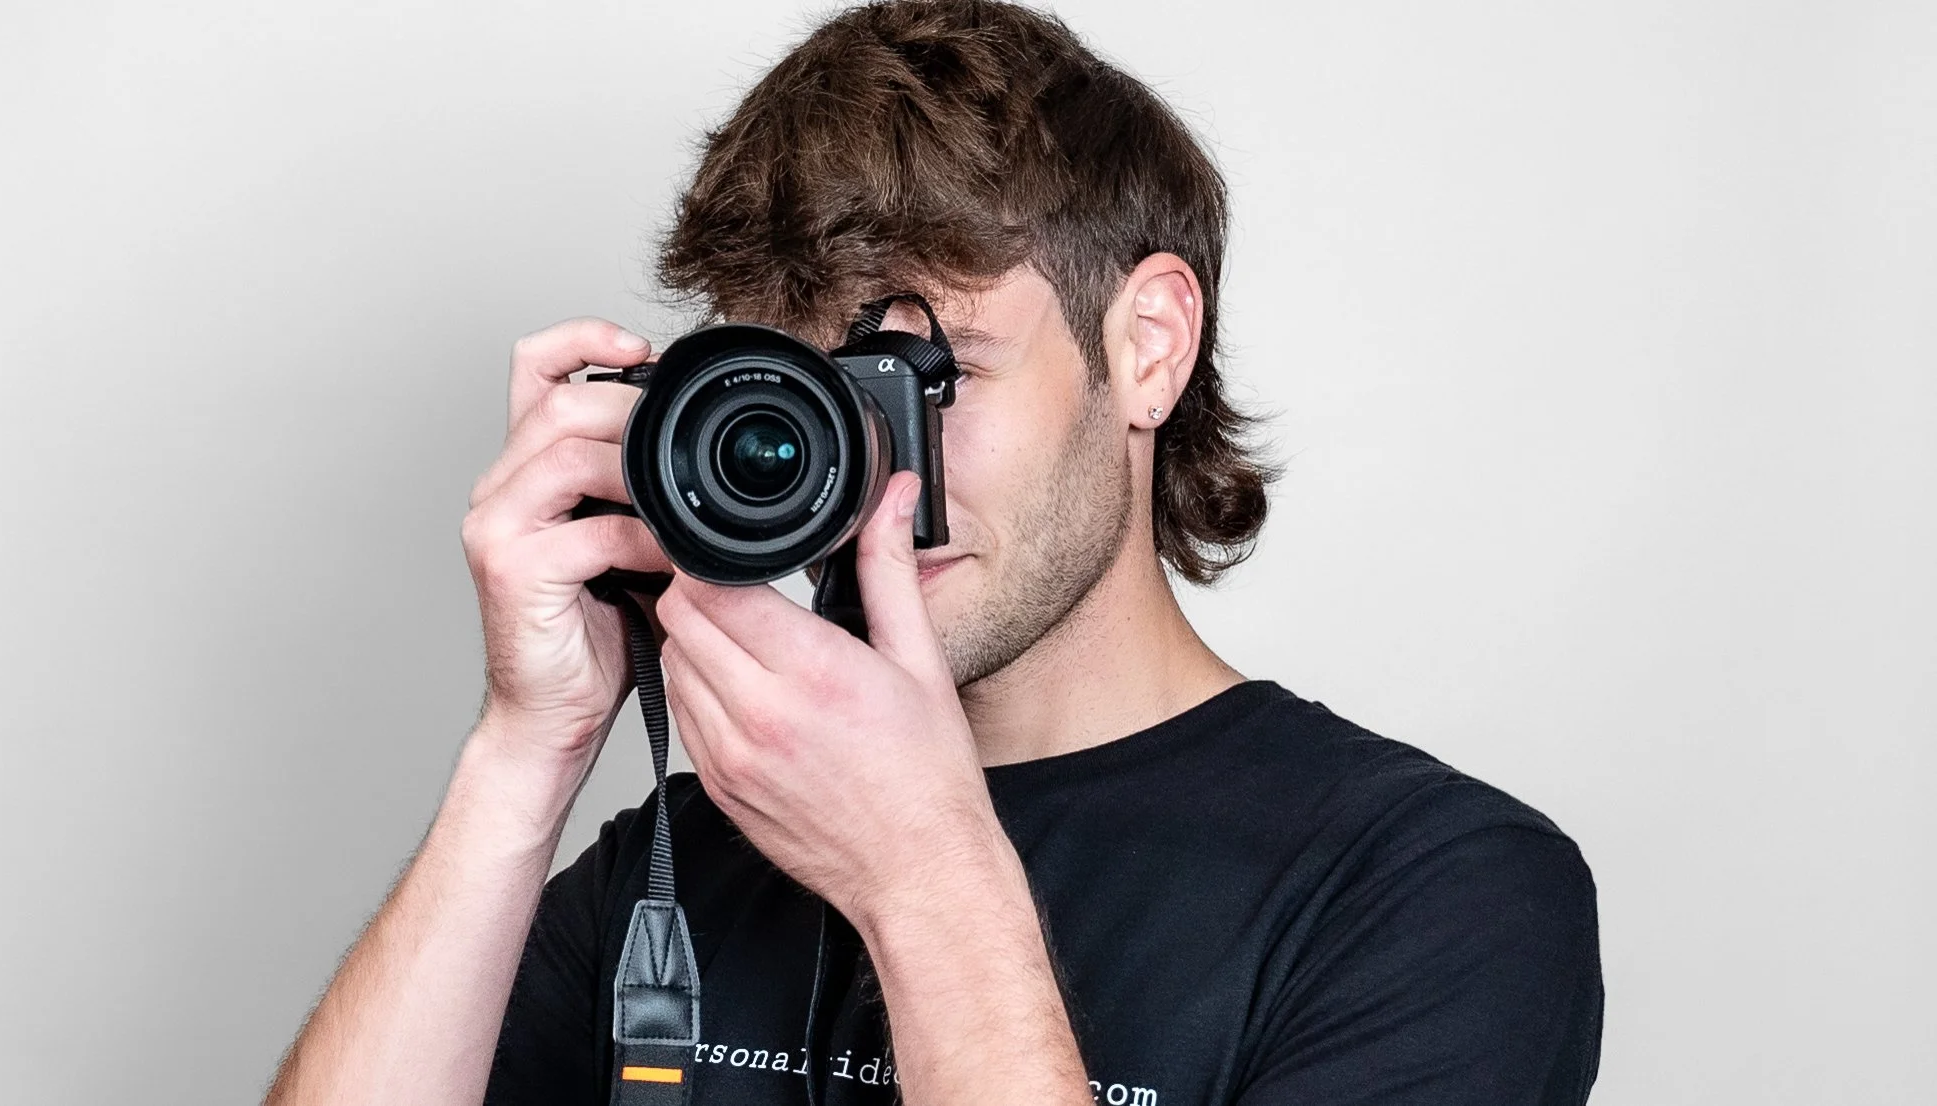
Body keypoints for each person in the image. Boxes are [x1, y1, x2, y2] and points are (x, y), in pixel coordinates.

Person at [264, 2, 1604, 1104]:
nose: (878, 478)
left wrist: (923, 881)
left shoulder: (1430, 890)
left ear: (1147, 345)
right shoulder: (684, 853)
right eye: (797, 396)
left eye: (923, 377)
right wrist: (525, 748)